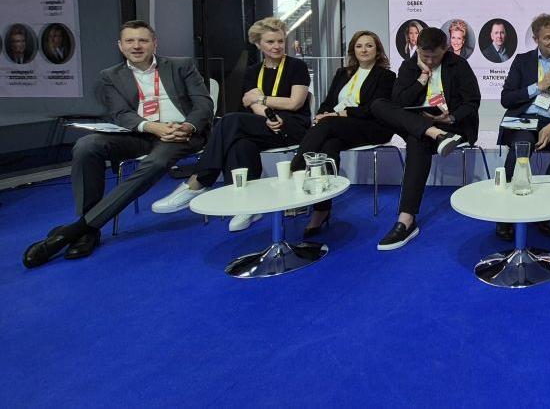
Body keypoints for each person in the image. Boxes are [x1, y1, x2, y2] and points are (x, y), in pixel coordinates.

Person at [23, 21, 213, 268]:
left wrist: (186, 126)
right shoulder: (110, 75)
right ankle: (89, 228)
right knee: (87, 146)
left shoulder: (181, 65)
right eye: (130, 41)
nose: (136, 46)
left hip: (181, 134)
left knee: (156, 162)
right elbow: (121, 114)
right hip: (141, 134)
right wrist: (152, 127)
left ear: (154, 44)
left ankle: (76, 231)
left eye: (143, 40)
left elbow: (203, 104)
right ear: (121, 46)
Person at [150, 16, 310, 232]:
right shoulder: (253, 71)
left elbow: (294, 102)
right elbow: (254, 106)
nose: (277, 46)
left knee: (230, 121)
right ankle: (246, 205)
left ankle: (198, 181)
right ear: (258, 44)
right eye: (270, 42)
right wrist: (268, 115)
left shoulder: (296, 66)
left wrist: (261, 98)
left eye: (280, 41)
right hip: (265, 124)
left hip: (294, 126)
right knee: (240, 144)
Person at [371, 26, 480, 250]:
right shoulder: (410, 65)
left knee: (416, 139)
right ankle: (434, 134)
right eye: (424, 55)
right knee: (379, 105)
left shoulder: (459, 65)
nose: (429, 61)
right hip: (421, 124)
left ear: (446, 49)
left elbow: (472, 102)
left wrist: (450, 117)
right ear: (417, 48)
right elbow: (399, 102)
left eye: (435, 57)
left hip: (453, 126)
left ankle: (406, 220)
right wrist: (422, 78)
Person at [283, 31, 396, 238]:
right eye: (359, 46)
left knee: (328, 125)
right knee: (329, 146)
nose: (363, 50)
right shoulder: (342, 73)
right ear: (353, 50)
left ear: (377, 50)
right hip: (338, 126)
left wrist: (340, 114)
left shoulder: (386, 76)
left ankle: (295, 172)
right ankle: (321, 209)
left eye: (369, 45)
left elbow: (375, 108)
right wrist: (321, 114)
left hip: (371, 127)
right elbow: (328, 102)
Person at [496, 13, 550, 240]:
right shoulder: (522, 61)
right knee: (520, 147)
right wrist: (538, 86)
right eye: (547, 38)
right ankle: (507, 215)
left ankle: (546, 208)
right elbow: (507, 98)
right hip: (524, 121)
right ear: (536, 39)